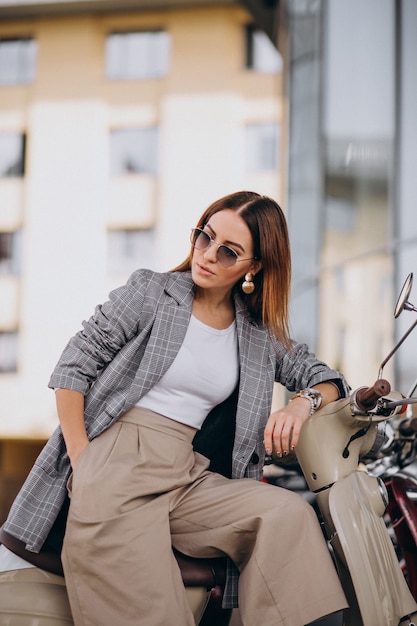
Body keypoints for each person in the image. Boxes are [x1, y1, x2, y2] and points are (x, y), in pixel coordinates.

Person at [0, 191, 349, 625]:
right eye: (205, 237)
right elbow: (73, 367)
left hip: (186, 474)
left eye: (229, 252)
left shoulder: (257, 333)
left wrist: (302, 405)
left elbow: (326, 377)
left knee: (286, 515)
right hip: (114, 461)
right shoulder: (152, 291)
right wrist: (84, 461)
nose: (207, 255)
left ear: (254, 268)